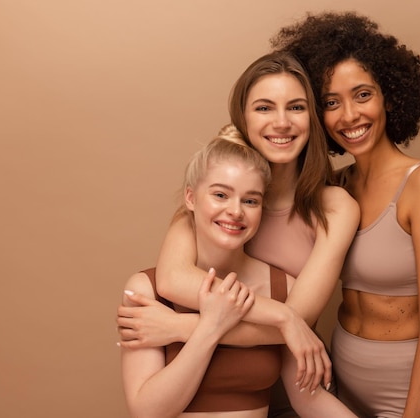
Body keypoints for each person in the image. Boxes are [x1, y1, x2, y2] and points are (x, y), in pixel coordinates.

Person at [117, 52, 360, 418]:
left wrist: (180, 327)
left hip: (292, 369)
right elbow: (170, 280)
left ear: (311, 118)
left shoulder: (334, 209)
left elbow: (298, 321)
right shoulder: (204, 209)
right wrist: (282, 317)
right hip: (262, 367)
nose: (281, 122)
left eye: (295, 107)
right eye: (264, 108)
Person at [271, 11, 420, 418]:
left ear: (388, 94)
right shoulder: (333, 189)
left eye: (362, 95)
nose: (349, 116)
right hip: (337, 378)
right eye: (331, 103)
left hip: (405, 385)